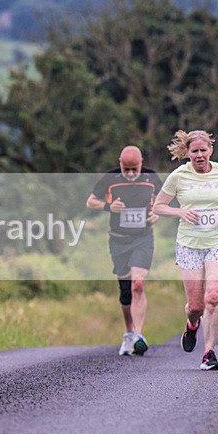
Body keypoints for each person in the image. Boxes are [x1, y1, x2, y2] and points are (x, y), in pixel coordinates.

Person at [153, 129, 218, 371]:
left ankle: (209, 353)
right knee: (196, 306)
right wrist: (179, 212)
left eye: (204, 150)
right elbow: (158, 206)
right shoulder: (178, 176)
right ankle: (191, 325)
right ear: (187, 153)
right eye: (195, 151)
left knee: (213, 297)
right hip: (189, 244)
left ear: (210, 150)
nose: (200, 155)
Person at [87, 146, 162, 356]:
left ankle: (139, 335)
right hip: (118, 240)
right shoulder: (110, 178)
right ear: (120, 163)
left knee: (138, 283)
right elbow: (90, 201)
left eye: (134, 169)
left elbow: (165, 201)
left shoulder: (151, 178)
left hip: (143, 238)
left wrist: (156, 213)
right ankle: (128, 333)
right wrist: (109, 207)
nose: (130, 174)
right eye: (126, 169)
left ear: (142, 163)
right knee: (126, 291)